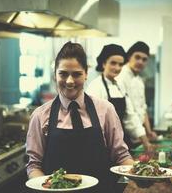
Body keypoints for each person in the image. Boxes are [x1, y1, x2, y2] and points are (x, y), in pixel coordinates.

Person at [26, 41, 134, 193]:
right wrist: (46, 188)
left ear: (86, 74)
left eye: (76, 74)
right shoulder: (40, 115)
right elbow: (34, 165)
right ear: (55, 75)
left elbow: (121, 155)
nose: (70, 81)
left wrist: (137, 175)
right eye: (63, 74)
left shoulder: (106, 110)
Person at [86, 44, 149, 150]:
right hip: (102, 143)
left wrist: (145, 142)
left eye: (120, 64)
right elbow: (93, 122)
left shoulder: (119, 86)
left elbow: (130, 116)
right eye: (113, 63)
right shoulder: (95, 87)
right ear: (104, 63)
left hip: (119, 141)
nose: (117, 68)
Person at [116, 41, 157, 152]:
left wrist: (149, 132)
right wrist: (145, 140)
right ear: (129, 57)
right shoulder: (121, 77)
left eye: (144, 59)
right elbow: (129, 114)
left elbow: (143, 108)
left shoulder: (139, 80)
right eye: (137, 57)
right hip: (124, 136)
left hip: (137, 136)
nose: (140, 62)